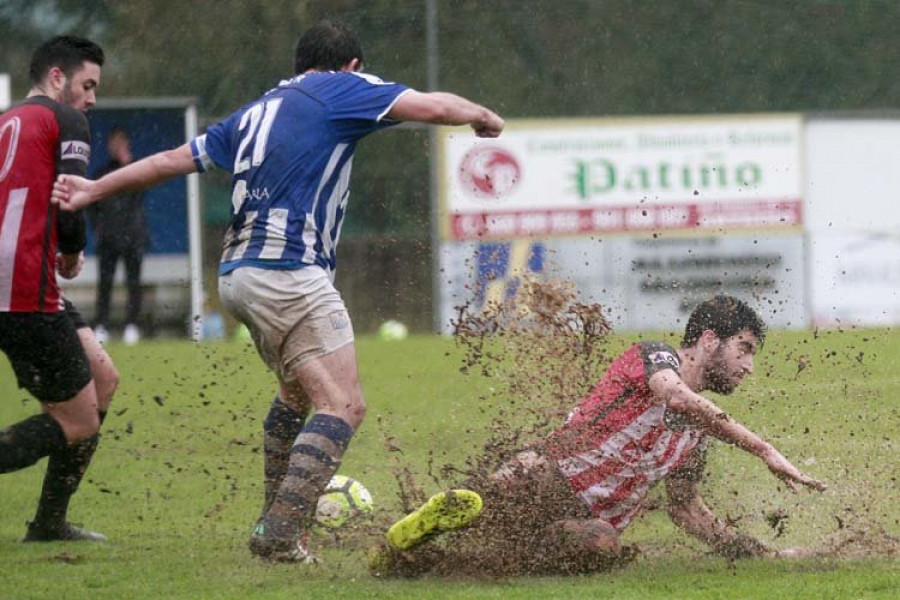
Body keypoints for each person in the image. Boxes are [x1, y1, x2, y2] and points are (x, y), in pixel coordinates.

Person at [52, 21, 504, 562]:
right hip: (288, 270)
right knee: (343, 404)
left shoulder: (253, 112)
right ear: (352, 67)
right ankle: (281, 531)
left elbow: (169, 162)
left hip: (237, 275)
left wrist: (94, 187)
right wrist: (480, 115)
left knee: (295, 395)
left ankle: (277, 517)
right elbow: (429, 106)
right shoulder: (341, 87)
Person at [374, 295, 827, 577]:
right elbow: (676, 397)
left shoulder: (698, 433)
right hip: (544, 479)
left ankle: (425, 556)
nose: (749, 366)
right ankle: (417, 535)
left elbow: (687, 509)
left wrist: (762, 555)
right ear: (709, 340)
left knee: (600, 543)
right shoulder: (654, 356)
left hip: (582, 520)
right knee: (518, 487)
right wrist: (764, 449)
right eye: (744, 349)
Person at [0, 35, 120, 542]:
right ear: (56, 76)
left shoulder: (6, 119)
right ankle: (49, 524)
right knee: (78, 422)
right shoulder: (65, 120)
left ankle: (49, 522)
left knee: (104, 380)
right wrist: (71, 251)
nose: (91, 98)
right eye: (87, 84)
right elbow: (67, 197)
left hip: (26, 282)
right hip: (22, 287)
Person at [88, 125, 147, 346]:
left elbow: (138, 195)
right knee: (105, 283)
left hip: (133, 238)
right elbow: (92, 206)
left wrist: (128, 165)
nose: (117, 147)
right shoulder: (101, 173)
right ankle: (101, 325)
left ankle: (132, 326)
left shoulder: (137, 170)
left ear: (127, 145)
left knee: (133, 283)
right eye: (114, 143)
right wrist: (98, 228)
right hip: (109, 240)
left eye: (121, 142)